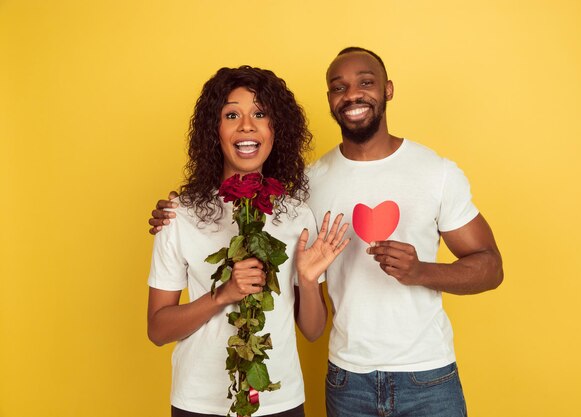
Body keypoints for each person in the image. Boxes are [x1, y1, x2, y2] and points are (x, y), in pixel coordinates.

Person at [150, 48, 504, 417]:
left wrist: (421, 272)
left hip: (427, 376)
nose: (352, 94)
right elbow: (160, 324)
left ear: (388, 89)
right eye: (339, 87)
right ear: (330, 100)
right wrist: (177, 214)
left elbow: (491, 266)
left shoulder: (434, 173)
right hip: (347, 380)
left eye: (366, 82)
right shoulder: (308, 187)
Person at [147, 65, 349, 417]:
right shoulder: (179, 215)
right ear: (215, 130)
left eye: (260, 114)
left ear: (276, 130)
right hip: (199, 402)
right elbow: (158, 329)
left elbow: (314, 330)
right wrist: (223, 294)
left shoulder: (297, 214)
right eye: (231, 114)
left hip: (280, 401)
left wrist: (306, 279)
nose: (246, 126)